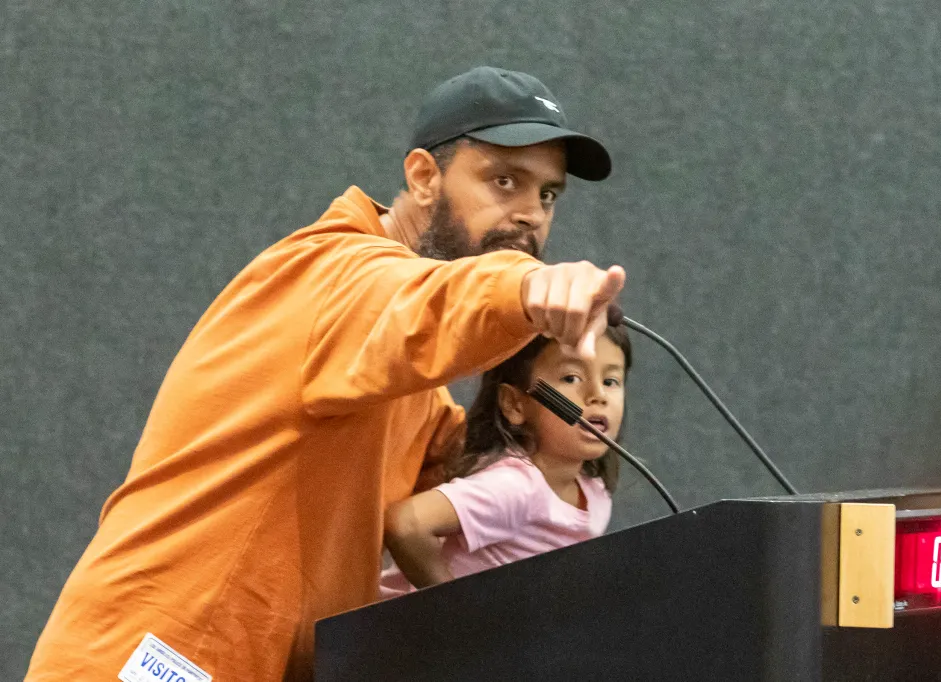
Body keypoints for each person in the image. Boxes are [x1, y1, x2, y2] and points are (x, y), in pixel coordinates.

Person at [25, 66, 625, 682]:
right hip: (155, 659)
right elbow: (433, 305)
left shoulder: (406, 381)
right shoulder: (330, 274)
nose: (530, 216)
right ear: (424, 177)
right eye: (504, 181)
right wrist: (525, 285)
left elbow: (474, 467)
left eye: (547, 195)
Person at [379, 326, 630, 599]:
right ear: (515, 404)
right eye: (571, 378)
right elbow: (406, 525)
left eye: (611, 381)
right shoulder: (515, 487)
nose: (598, 395)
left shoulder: (595, 492)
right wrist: (459, 609)